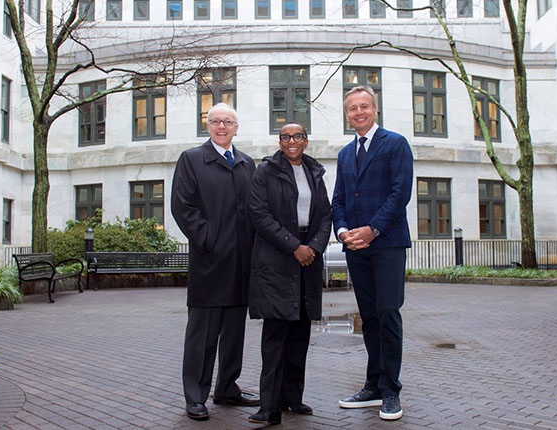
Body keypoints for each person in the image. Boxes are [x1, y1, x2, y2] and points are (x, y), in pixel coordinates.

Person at [170, 103, 260, 421]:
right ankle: (195, 395)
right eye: (215, 121)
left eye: (228, 122)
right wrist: (210, 240)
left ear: (237, 127)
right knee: (202, 335)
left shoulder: (248, 164)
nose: (222, 126)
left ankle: (227, 388)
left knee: (234, 333)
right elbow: (183, 208)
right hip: (209, 263)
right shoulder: (192, 160)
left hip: (241, 265)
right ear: (207, 125)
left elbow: (256, 211)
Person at [331, 86, 413, 421]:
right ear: (347, 114)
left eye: (364, 106)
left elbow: (400, 194)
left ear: (375, 110)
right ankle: (373, 385)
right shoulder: (345, 154)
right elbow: (338, 199)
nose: (359, 112)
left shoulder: (395, 144)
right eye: (353, 108)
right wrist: (343, 230)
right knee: (370, 316)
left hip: (387, 244)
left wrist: (372, 229)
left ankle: (391, 390)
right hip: (356, 248)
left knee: (388, 313)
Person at [246, 123, 332, 425]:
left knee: (300, 335)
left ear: (306, 140)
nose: (291, 141)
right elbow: (258, 214)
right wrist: (294, 246)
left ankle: (292, 399)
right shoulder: (266, 171)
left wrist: (315, 247)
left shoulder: (315, 172)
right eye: (285, 137)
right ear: (279, 142)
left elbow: (325, 216)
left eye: (297, 136)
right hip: (277, 259)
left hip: (308, 259)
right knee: (275, 337)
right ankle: (268, 407)